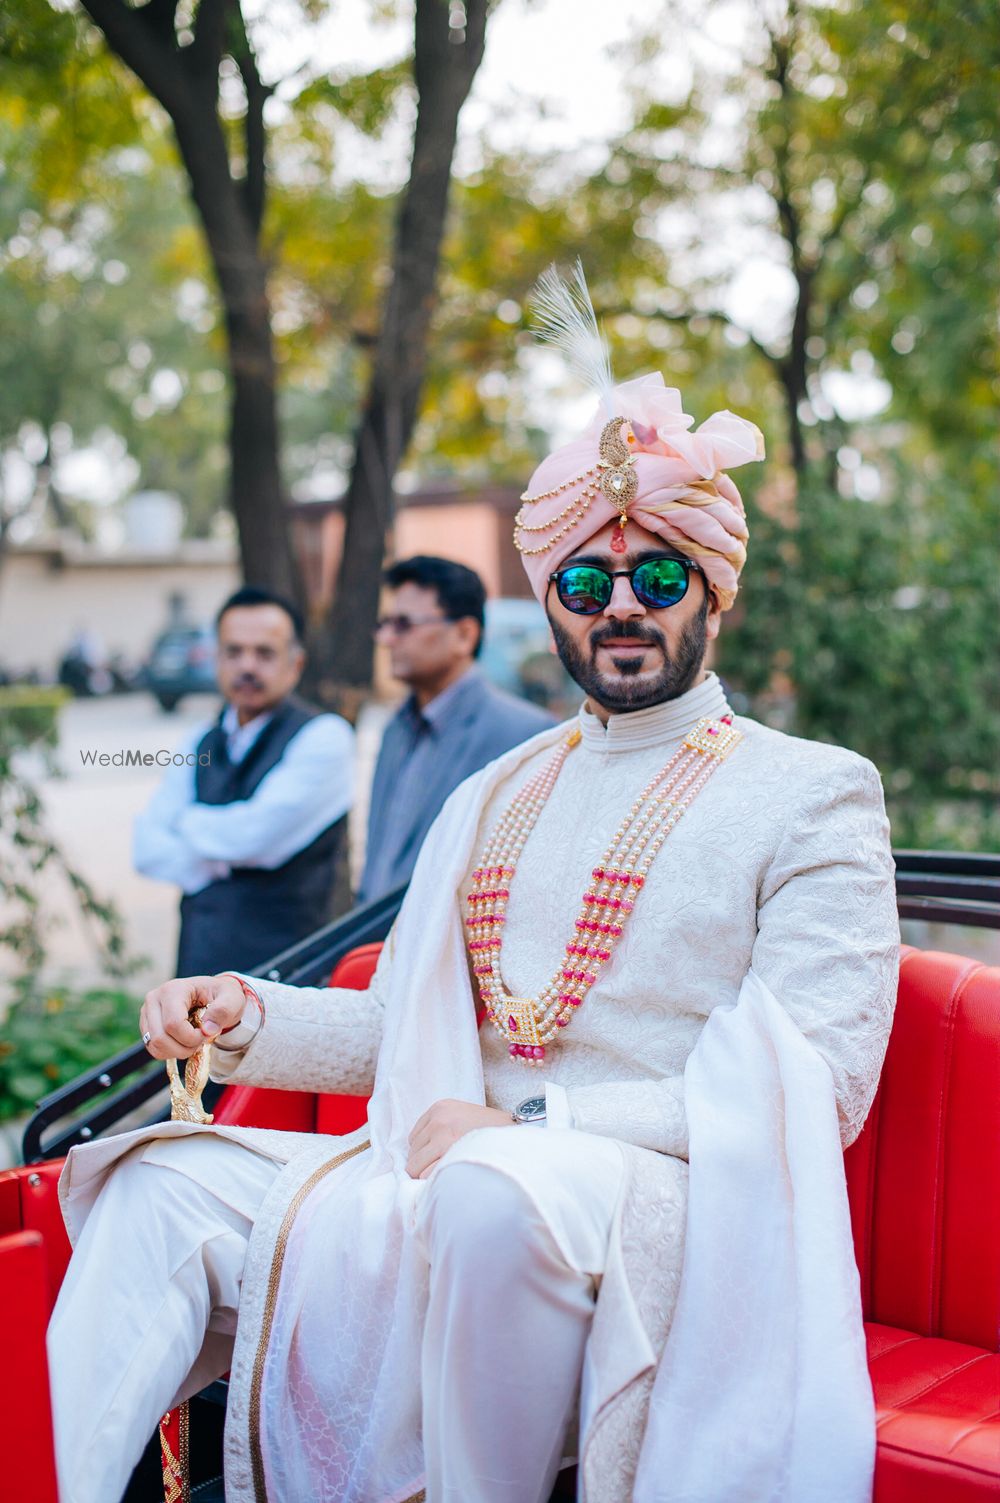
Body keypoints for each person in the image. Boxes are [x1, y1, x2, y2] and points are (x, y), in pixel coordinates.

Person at [49, 272, 898, 1503]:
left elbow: (813, 1088)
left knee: (495, 1193)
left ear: (714, 592)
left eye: (659, 580)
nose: (621, 605)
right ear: (546, 599)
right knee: (151, 1178)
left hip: (659, 1207)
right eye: (586, 581)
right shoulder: (495, 791)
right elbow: (407, 1029)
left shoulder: (812, 791)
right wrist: (245, 1016)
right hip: (443, 1172)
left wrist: (532, 1130)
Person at [133, 586, 355, 976]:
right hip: (198, 968)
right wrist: (224, 855)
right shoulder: (198, 740)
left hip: (288, 977)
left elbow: (256, 838)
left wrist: (185, 823)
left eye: (264, 653)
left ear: (296, 663)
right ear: (217, 659)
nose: (247, 666)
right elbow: (146, 848)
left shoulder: (324, 736)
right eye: (233, 652)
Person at [359, 554, 555, 901]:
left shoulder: (526, 736)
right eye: (385, 623)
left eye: (404, 624)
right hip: (379, 948)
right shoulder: (396, 728)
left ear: (464, 635)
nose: (387, 638)